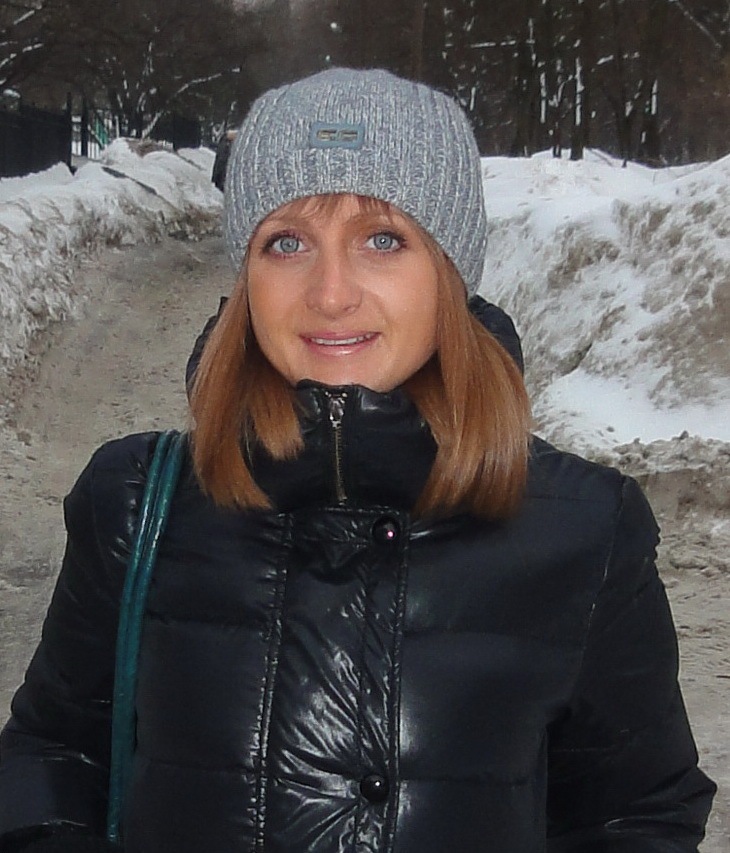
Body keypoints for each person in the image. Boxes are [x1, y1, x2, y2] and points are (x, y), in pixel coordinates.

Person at [0, 68, 715, 852]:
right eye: (287, 242)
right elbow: (51, 757)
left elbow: (637, 811)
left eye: (383, 240)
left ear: (448, 271)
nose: (331, 292)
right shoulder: (137, 502)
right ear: (247, 277)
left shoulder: (584, 529)